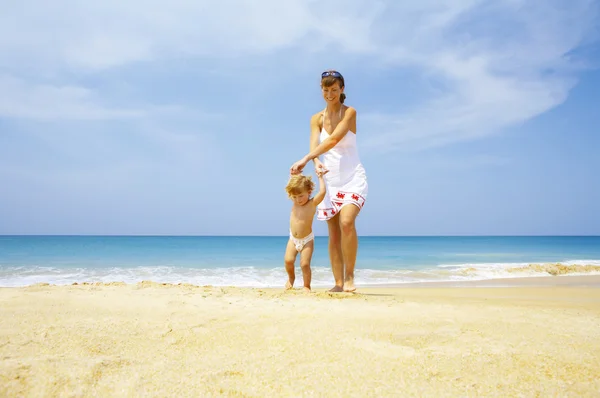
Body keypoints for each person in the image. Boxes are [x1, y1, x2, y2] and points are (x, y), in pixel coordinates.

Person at [290, 70, 368, 292]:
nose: (330, 94)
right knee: (333, 233)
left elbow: (334, 140)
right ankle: (338, 283)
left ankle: (350, 277)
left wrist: (306, 159)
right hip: (330, 178)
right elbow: (315, 146)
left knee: (346, 222)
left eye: (334, 89)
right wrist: (314, 163)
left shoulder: (349, 113)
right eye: (326, 90)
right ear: (321, 90)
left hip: (353, 176)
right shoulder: (316, 118)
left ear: (342, 89)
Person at [284, 172, 328, 292]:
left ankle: (306, 285)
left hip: (307, 240)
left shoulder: (312, 203)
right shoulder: (295, 201)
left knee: (304, 264)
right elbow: (293, 185)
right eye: (295, 197)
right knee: (288, 261)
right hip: (293, 239)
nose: (298, 200)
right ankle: (291, 278)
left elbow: (323, 192)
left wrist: (320, 177)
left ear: (309, 192)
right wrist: (294, 174)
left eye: (301, 196)